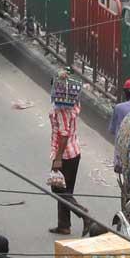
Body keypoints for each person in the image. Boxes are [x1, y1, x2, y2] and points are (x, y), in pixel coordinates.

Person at [47, 75, 83, 235]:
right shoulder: (73, 103)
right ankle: (64, 225)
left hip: (66, 155)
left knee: (58, 189)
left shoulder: (61, 109)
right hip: (75, 151)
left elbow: (63, 134)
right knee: (65, 190)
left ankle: (84, 214)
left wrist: (58, 158)